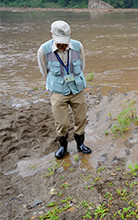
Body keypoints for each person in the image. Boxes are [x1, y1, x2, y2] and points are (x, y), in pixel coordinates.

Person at [37, 20, 92, 159]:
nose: (62, 44)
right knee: (62, 122)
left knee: (81, 118)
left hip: (77, 89)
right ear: (51, 34)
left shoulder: (78, 46)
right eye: (59, 41)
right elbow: (45, 72)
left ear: (70, 34)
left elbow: (82, 66)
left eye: (65, 41)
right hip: (57, 91)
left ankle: (80, 144)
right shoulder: (43, 50)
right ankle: (63, 146)